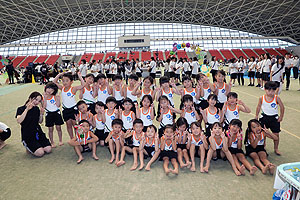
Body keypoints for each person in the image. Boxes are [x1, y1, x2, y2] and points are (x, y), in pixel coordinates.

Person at [16, 92, 52, 157]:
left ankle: (37, 145)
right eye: (35, 99)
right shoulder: (20, 109)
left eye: (39, 101)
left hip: (38, 132)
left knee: (48, 149)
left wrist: (41, 114)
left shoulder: (36, 109)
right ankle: (27, 146)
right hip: (28, 134)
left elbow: (40, 122)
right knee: (40, 153)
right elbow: (19, 120)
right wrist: (27, 109)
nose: (37, 102)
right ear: (30, 98)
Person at [255, 81, 284, 155]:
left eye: (273, 90)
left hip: (274, 118)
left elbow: (282, 107)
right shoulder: (261, 98)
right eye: (269, 90)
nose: (271, 92)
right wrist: (256, 115)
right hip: (264, 117)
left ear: (275, 90)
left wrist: (281, 116)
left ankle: (276, 148)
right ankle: (263, 146)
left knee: (276, 134)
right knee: (263, 133)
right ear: (265, 89)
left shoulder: (276, 98)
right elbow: (258, 106)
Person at [53, 72, 85, 138]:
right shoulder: (62, 88)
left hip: (73, 109)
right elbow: (54, 82)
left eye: (67, 81)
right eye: (63, 81)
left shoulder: (73, 89)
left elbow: (83, 85)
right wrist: (59, 74)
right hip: (65, 109)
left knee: (76, 124)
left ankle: (80, 137)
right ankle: (72, 138)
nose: (64, 82)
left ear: (71, 82)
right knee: (68, 125)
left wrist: (79, 76)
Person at [43, 82, 64, 147]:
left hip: (56, 113)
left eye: (52, 90)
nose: (49, 90)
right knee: (50, 129)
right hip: (48, 113)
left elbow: (58, 105)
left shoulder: (55, 96)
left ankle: (60, 140)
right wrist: (45, 99)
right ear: (45, 88)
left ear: (54, 91)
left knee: (58, 128)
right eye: (48, 88)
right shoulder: (43, 97)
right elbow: (44, 106)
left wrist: (58, 99)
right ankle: (52, 142)